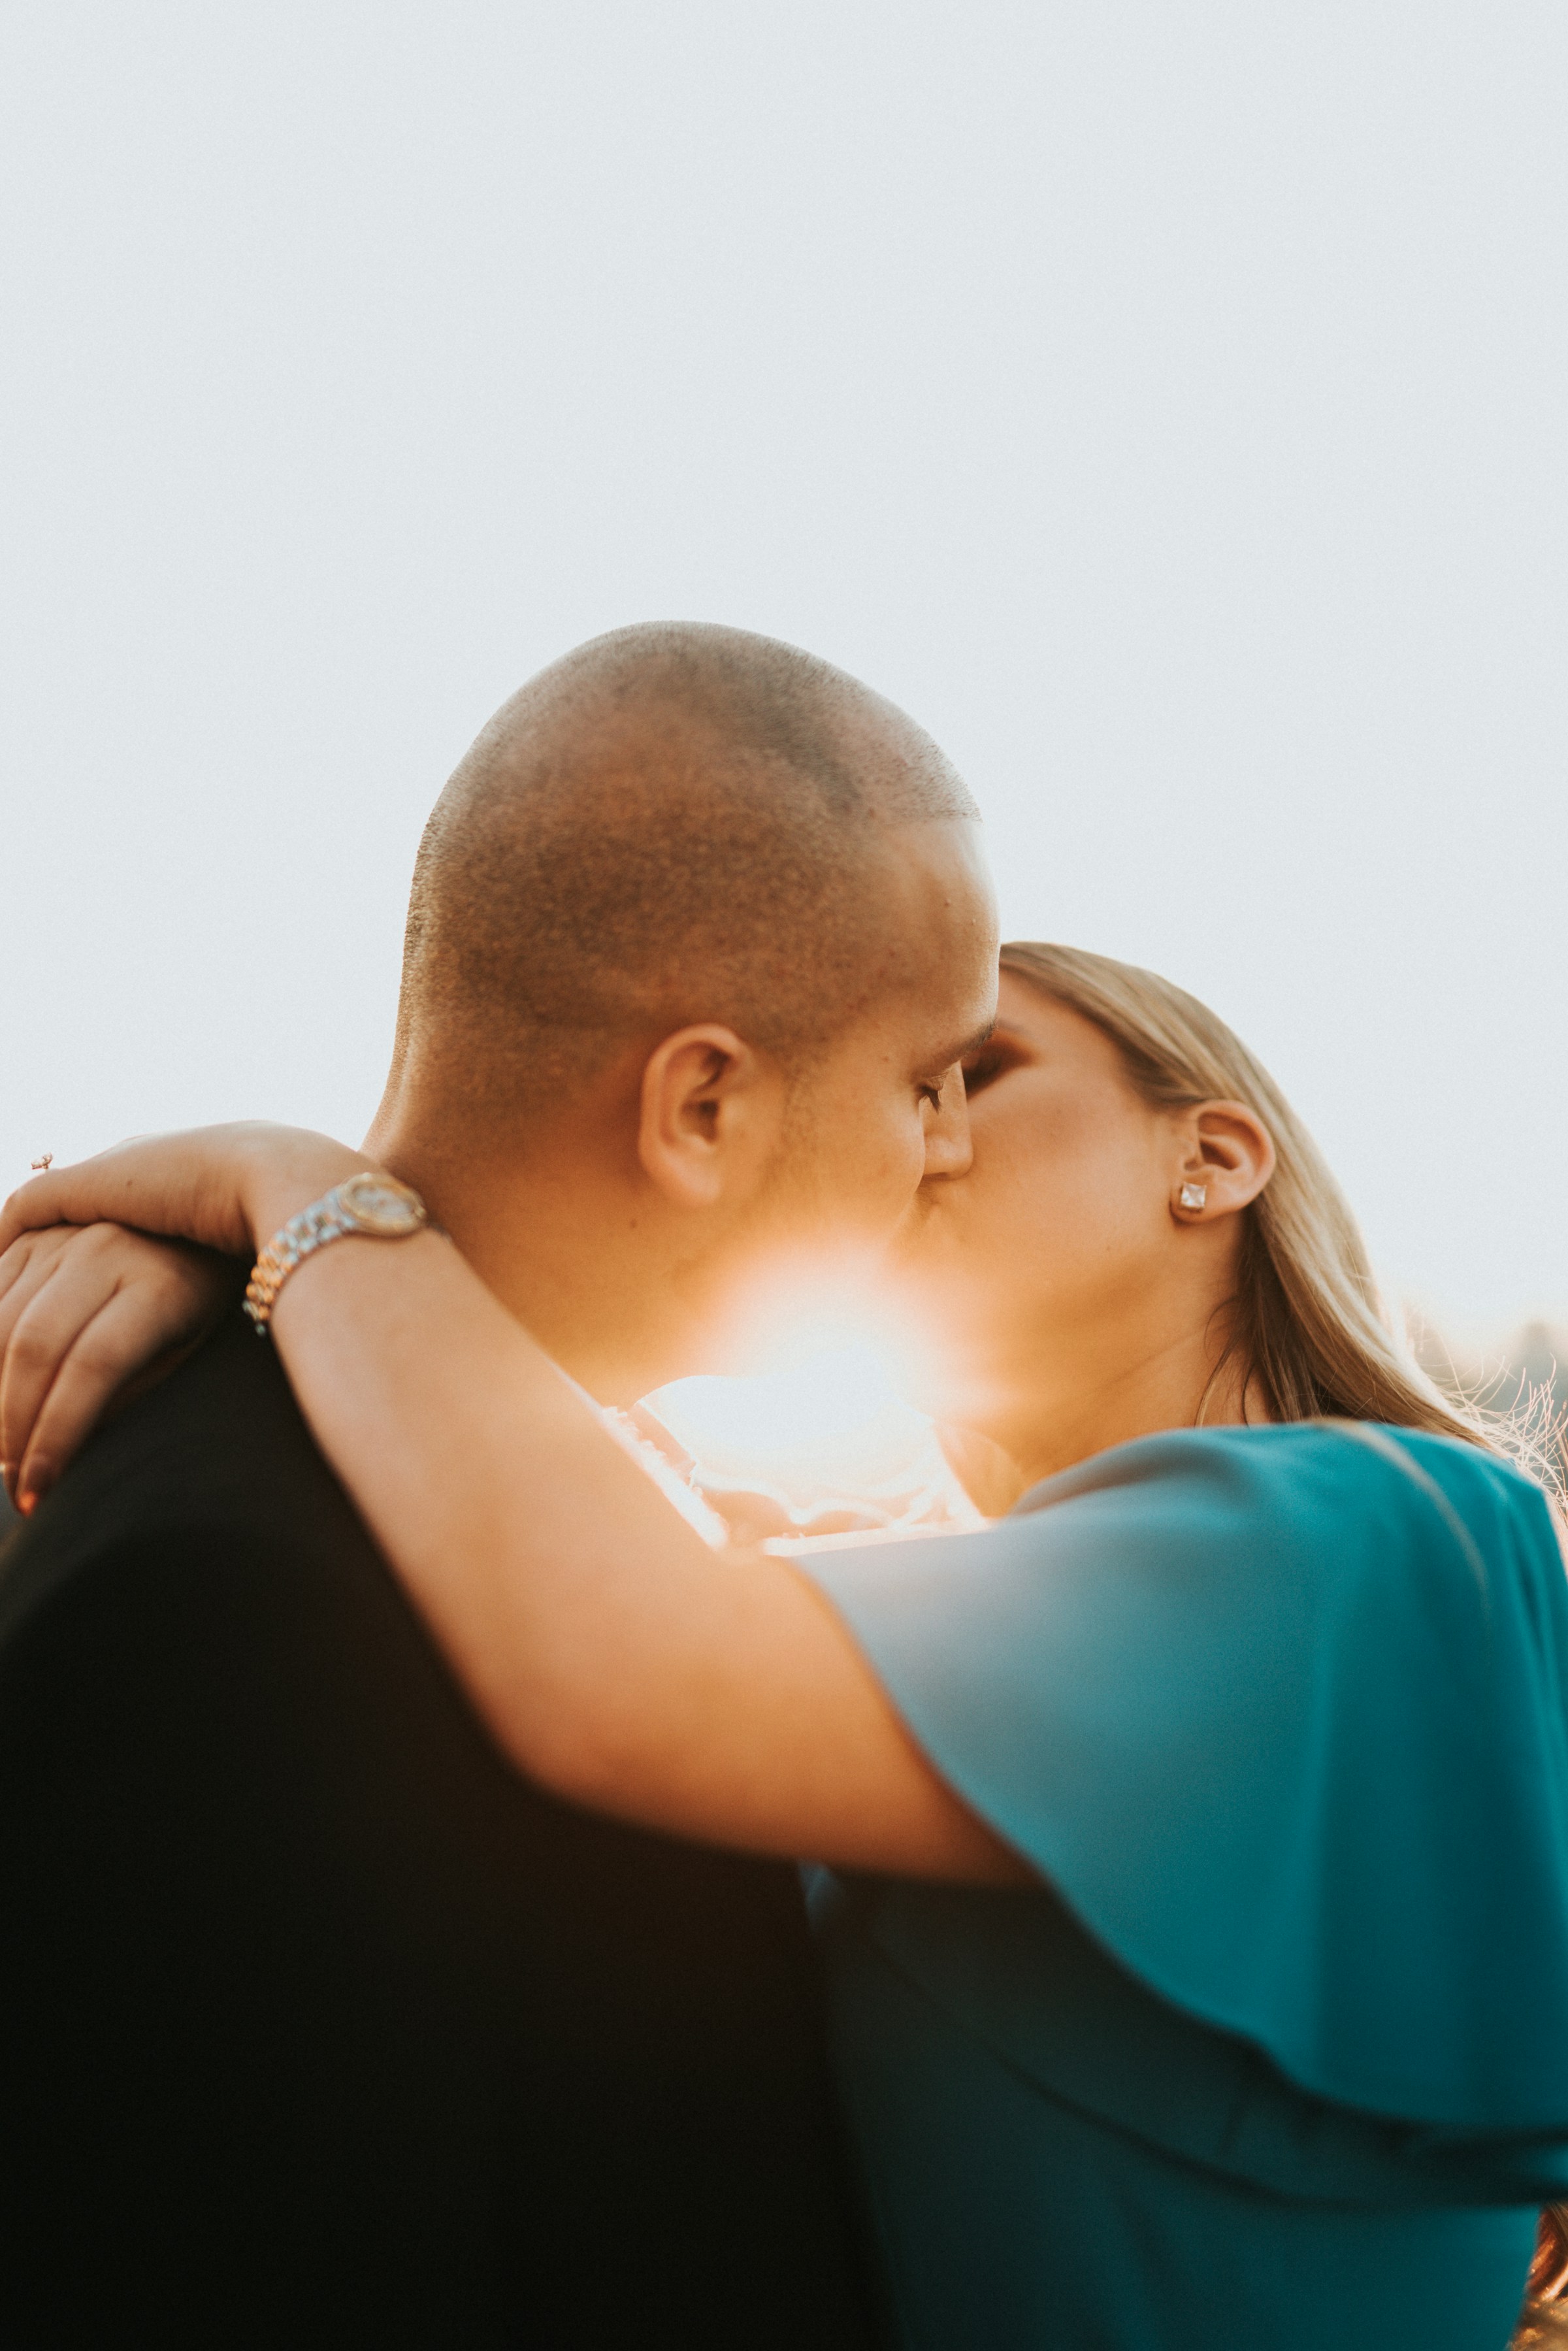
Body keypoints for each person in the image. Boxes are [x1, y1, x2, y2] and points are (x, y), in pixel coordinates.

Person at [7, 943, 1568, 2351]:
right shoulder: (933, 1611)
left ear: (1210, 1156)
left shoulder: (1377, 1528)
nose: (920, 1138)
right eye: (905, 1093)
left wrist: (283, 1187)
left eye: (977, 1073)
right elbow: (527, 1507)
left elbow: (621, 1659)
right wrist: (229, 1300)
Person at [0, 619, 1000, 2346]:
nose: (958, 1143)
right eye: (929, 1076)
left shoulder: (594, 1513)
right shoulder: (226, 1607)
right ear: (702, 1105)